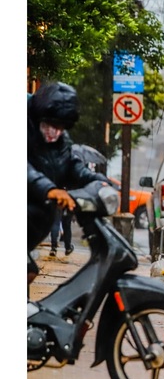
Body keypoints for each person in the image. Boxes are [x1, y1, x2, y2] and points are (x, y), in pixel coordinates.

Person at [28, 82, 109, 289]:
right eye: (51, 124)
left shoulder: (61, 141)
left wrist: (98, 183)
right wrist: (49, 189)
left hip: (36, 222)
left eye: (61, 127)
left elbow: (72, 165)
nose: (55, 131)